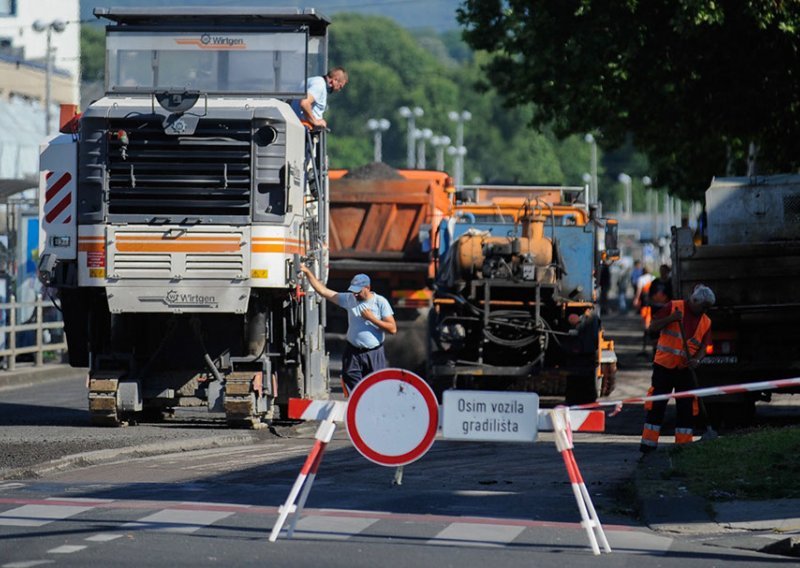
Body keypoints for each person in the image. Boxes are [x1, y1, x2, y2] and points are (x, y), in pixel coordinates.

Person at [639, 284, 715, 455]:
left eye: (707, 308)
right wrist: (671, 318)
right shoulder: (674, 307)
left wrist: (697, 360)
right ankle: (648, 446)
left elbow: (704, 346)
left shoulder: (706, 321)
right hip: (664, 367)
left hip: (685, 370)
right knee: (656, 406)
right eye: (703, 307)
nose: (704, 310)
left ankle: (683, 447)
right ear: (694, 301)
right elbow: (652, 327)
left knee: (686, 409)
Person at [300, 265, 396, 396]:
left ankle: (373, 407)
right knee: (350, 379)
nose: (355, 294)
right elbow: (323, 291)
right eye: (353, 291)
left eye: (358, 291)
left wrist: (372, 319)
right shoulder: (349, 298)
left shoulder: (380, 302)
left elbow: (392, 328)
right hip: (353, 351)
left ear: (367, 288)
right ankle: (359, 403)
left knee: (377, 386)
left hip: (374, 353)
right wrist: (307, 272)